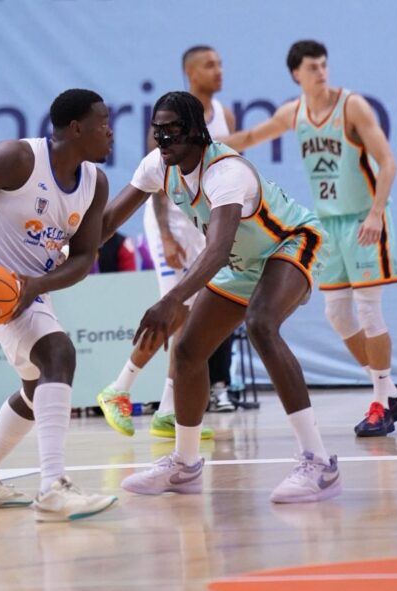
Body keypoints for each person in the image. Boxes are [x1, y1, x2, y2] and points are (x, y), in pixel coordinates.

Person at [103, 91, 340, 503]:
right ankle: (185, 465)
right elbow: (107, 221)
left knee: (262, 324)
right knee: (189, 351)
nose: (162, 139)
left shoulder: (226, 172)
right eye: (157, 130)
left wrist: (172, 299)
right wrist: (59, 250)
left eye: (172, 130)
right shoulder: (159, 166)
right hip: (244, 259)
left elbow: (215, 251)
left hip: (289, 242)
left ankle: (319, 463)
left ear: (195, 130)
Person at [0, 88, 118, 521]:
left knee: (37, 388)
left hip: (29, 290)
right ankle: (52, 487)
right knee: (58, 353)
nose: (110, 131)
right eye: (102, 122)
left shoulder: (95, 182)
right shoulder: (20, 160)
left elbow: (86, 256)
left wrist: (38, 286)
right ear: (76, 128)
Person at [221, 40, 397, 437]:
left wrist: (377, 213)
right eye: (313, 67)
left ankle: (381, 401)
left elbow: (388, 161)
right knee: (336, 313)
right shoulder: (294, 113)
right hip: (329, 223)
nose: (322, 73)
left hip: (364, 219)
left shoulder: (352, 106)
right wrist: (209, 147)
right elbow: (254, 136)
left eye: (324, 65)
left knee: (368, 310)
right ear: (296, 74)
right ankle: (391, 392)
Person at [97, 45, 237, 441]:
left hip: (201, 227)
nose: (219, 70)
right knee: (173, 312)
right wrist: (165, 234)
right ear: (191, 73)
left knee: (189, 320)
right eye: (211, 64)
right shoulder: (170, 120)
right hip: (170, 227)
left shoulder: (225, 116)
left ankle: (168, 411)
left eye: (220, 62)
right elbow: (156, 182)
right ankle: (119, 389)